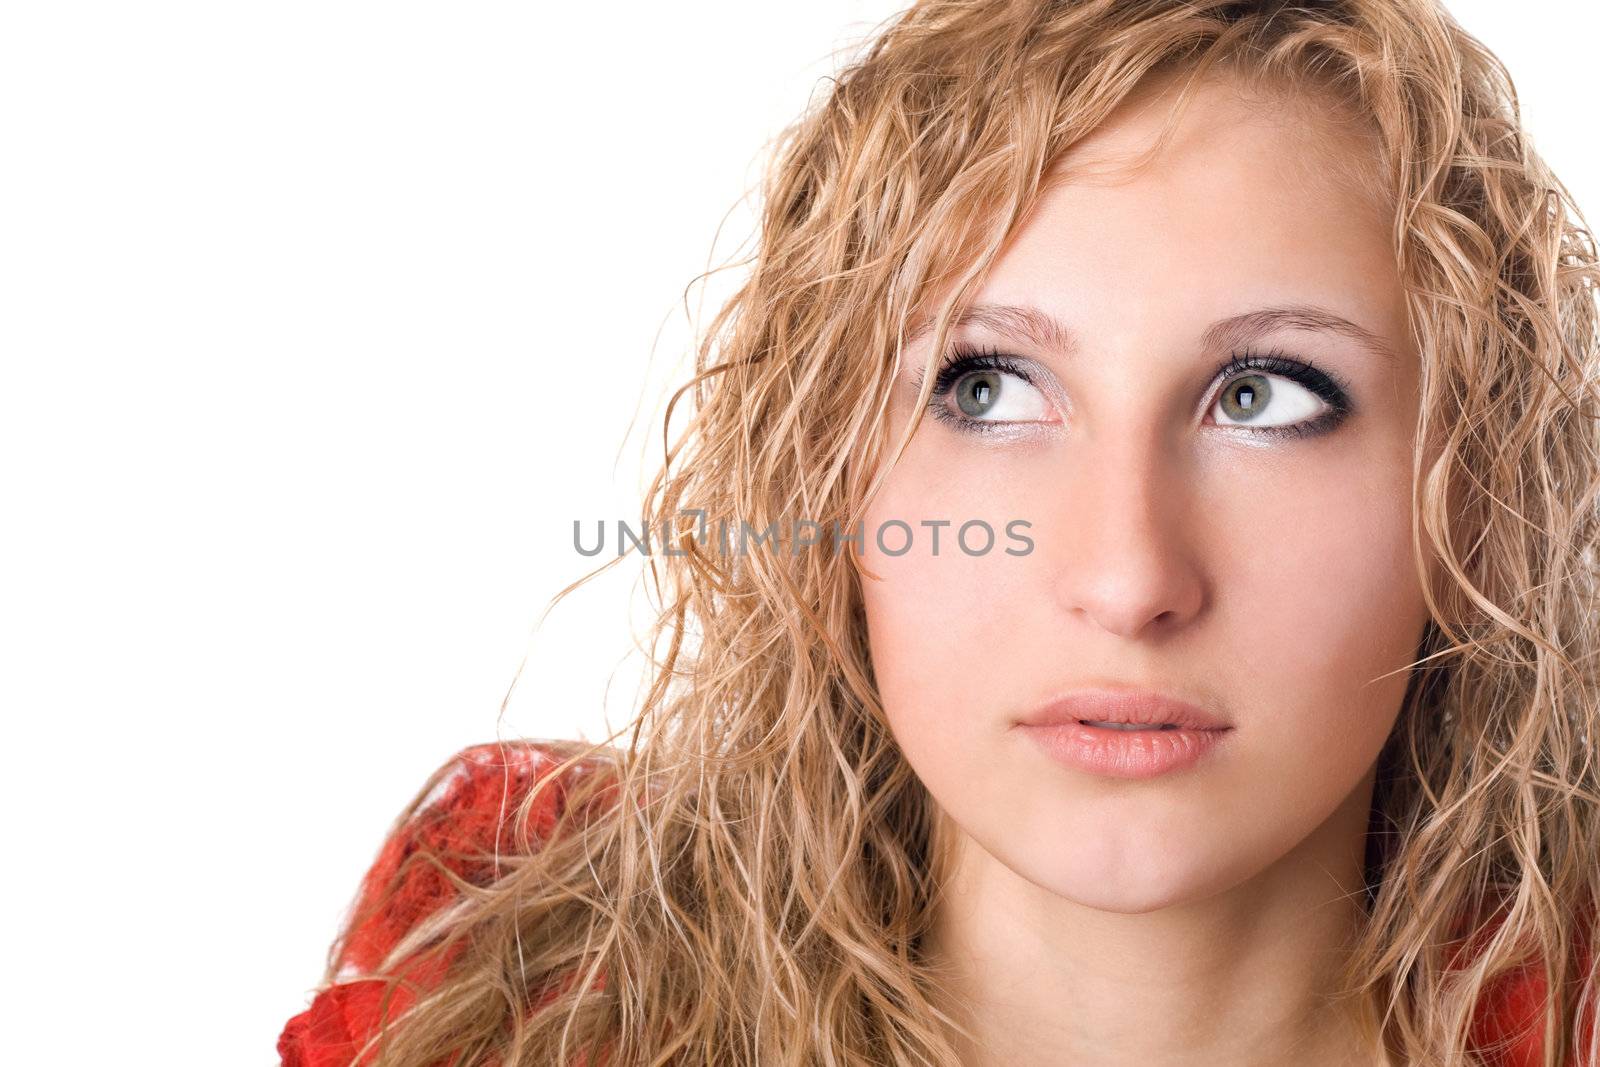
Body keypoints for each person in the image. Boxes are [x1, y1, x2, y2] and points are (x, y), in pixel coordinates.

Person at [278, 1, 1600, 1063]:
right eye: (990, 389)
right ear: (825, 474)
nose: (1128, 578)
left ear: (1473, 492)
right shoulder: (520, 998)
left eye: (1264, 397)